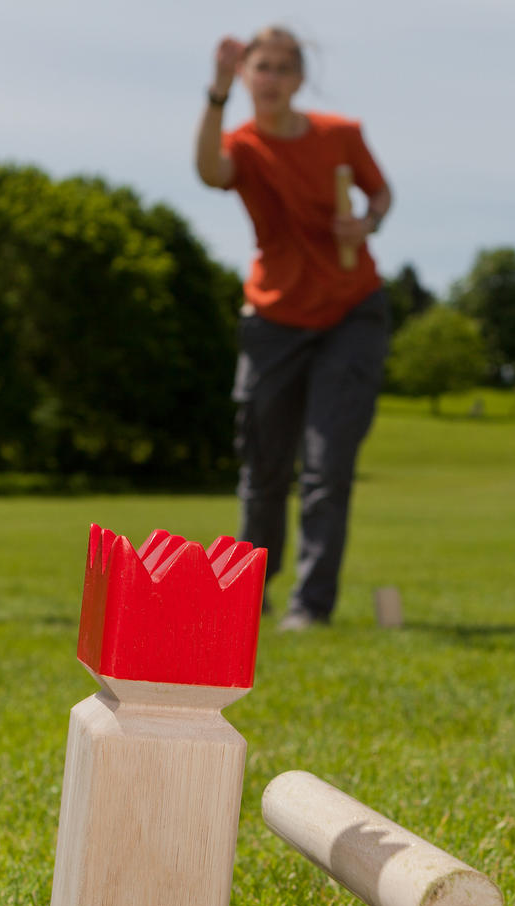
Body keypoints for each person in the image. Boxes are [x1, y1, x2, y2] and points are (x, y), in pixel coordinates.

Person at [195, 28, 392, 630]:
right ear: (248, 75)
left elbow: (380, 195)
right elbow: (208, 171)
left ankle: (311, 606)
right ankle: (246, 600)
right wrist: (217, 93)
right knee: (263, 468)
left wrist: (365, 223)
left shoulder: (341, 135)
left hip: (350, 312)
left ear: (300, 78)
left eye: (283, 68)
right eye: (262, 67)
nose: (272, 78)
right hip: (274, 319)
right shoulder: (243, 145)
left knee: (326, 466)